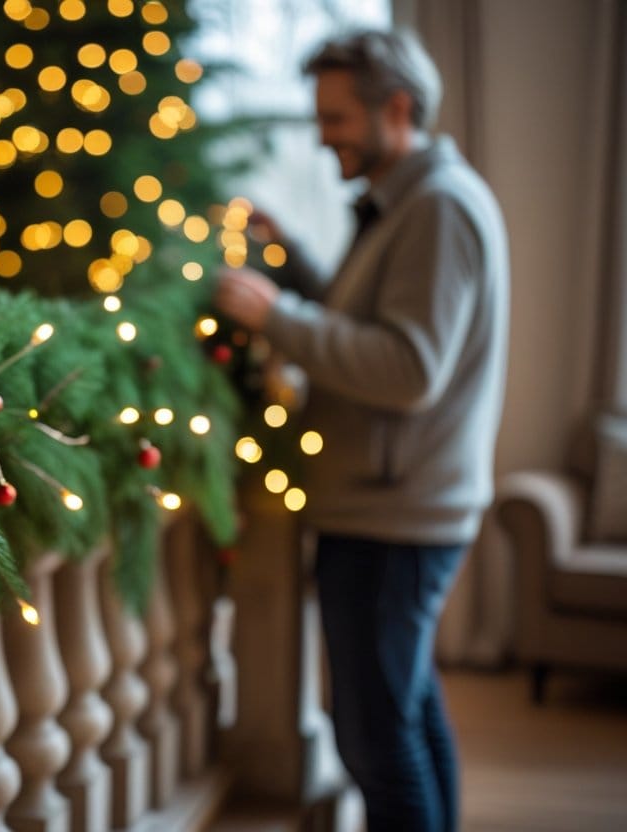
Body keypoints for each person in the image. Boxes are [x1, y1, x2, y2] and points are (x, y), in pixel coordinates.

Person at [214, 28, 509, 832]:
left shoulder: (439, 209)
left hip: (394, 515)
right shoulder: (406, 205)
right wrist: (296, 262)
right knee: (404, 714)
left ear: (399, 109)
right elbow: (364, 319)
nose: (322, 135)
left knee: (374, 739)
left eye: (337, 118)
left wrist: (277, 315)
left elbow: (409, 369)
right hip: (391, 504)